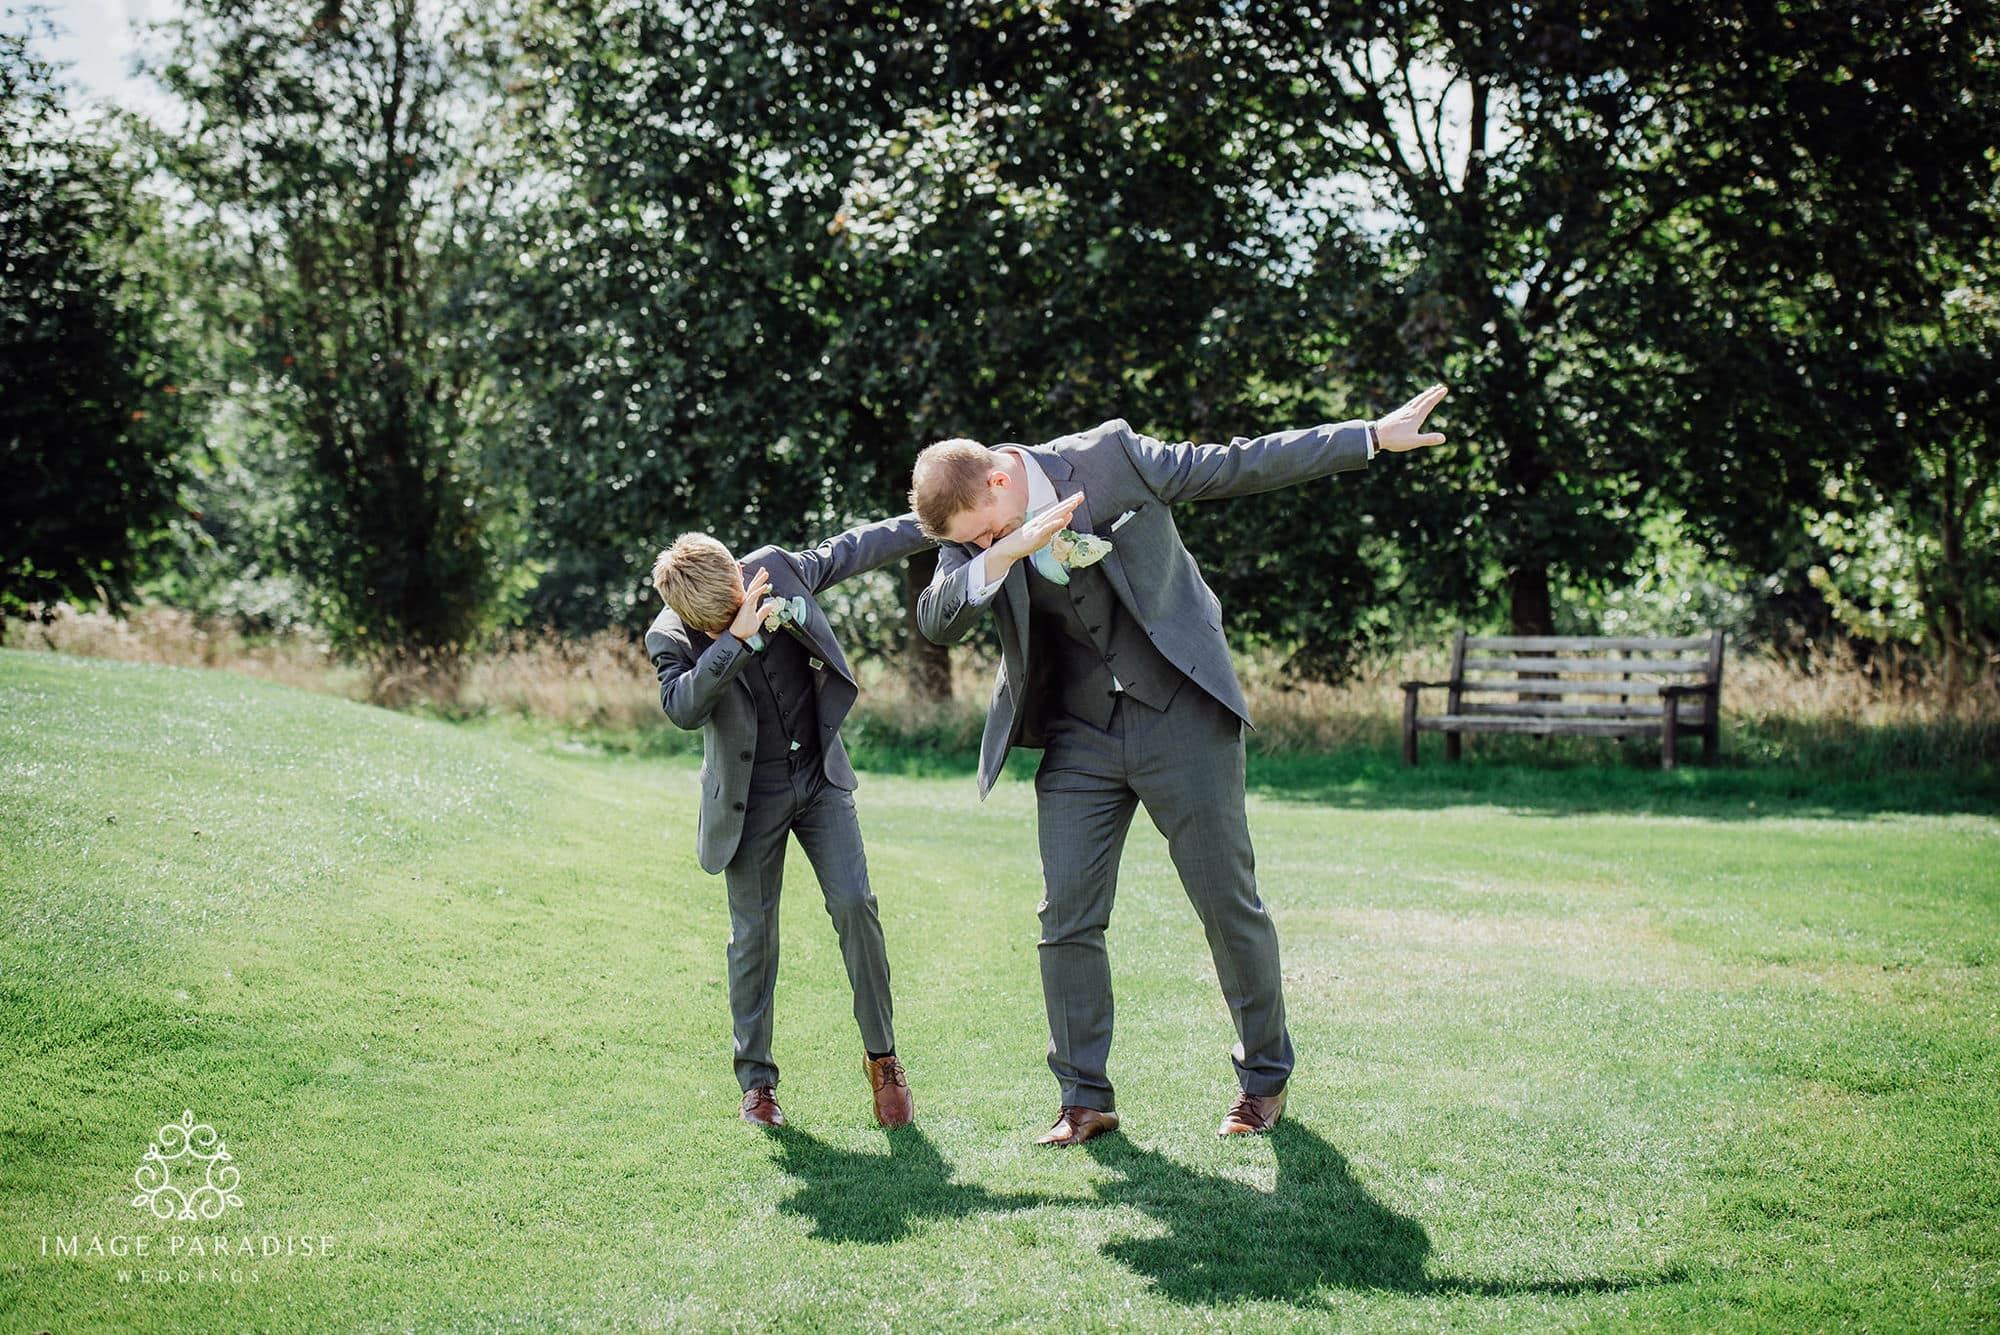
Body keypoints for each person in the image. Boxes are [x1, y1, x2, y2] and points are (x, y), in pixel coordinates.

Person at [909, 385, 1449, 1146]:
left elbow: (1237, 464)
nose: (982, 540)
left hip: (1181, 711)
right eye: (972, 540)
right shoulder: (971, 528)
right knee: (1065, 915)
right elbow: (937, 618)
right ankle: (1083, 1099)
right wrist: (1000, 551)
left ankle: (1263, 1081)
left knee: (1227, 904)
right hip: (1078, 733)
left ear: (1000, 478)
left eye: (989, 528)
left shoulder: (1111, 456)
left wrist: (1369, 436)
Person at [646, 515, 935, 1129]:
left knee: (856, 904)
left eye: (734, 607)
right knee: (753, 937)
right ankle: (757, 1084)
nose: (730, 618)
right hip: (749, 798)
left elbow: (853, 549)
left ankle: (883, 1060)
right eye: (713, 624)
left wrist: (939, 518)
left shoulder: (774, 568)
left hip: (820, 776)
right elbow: (683, 707)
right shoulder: (669, 635)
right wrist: (735, 640)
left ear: (738, 571)